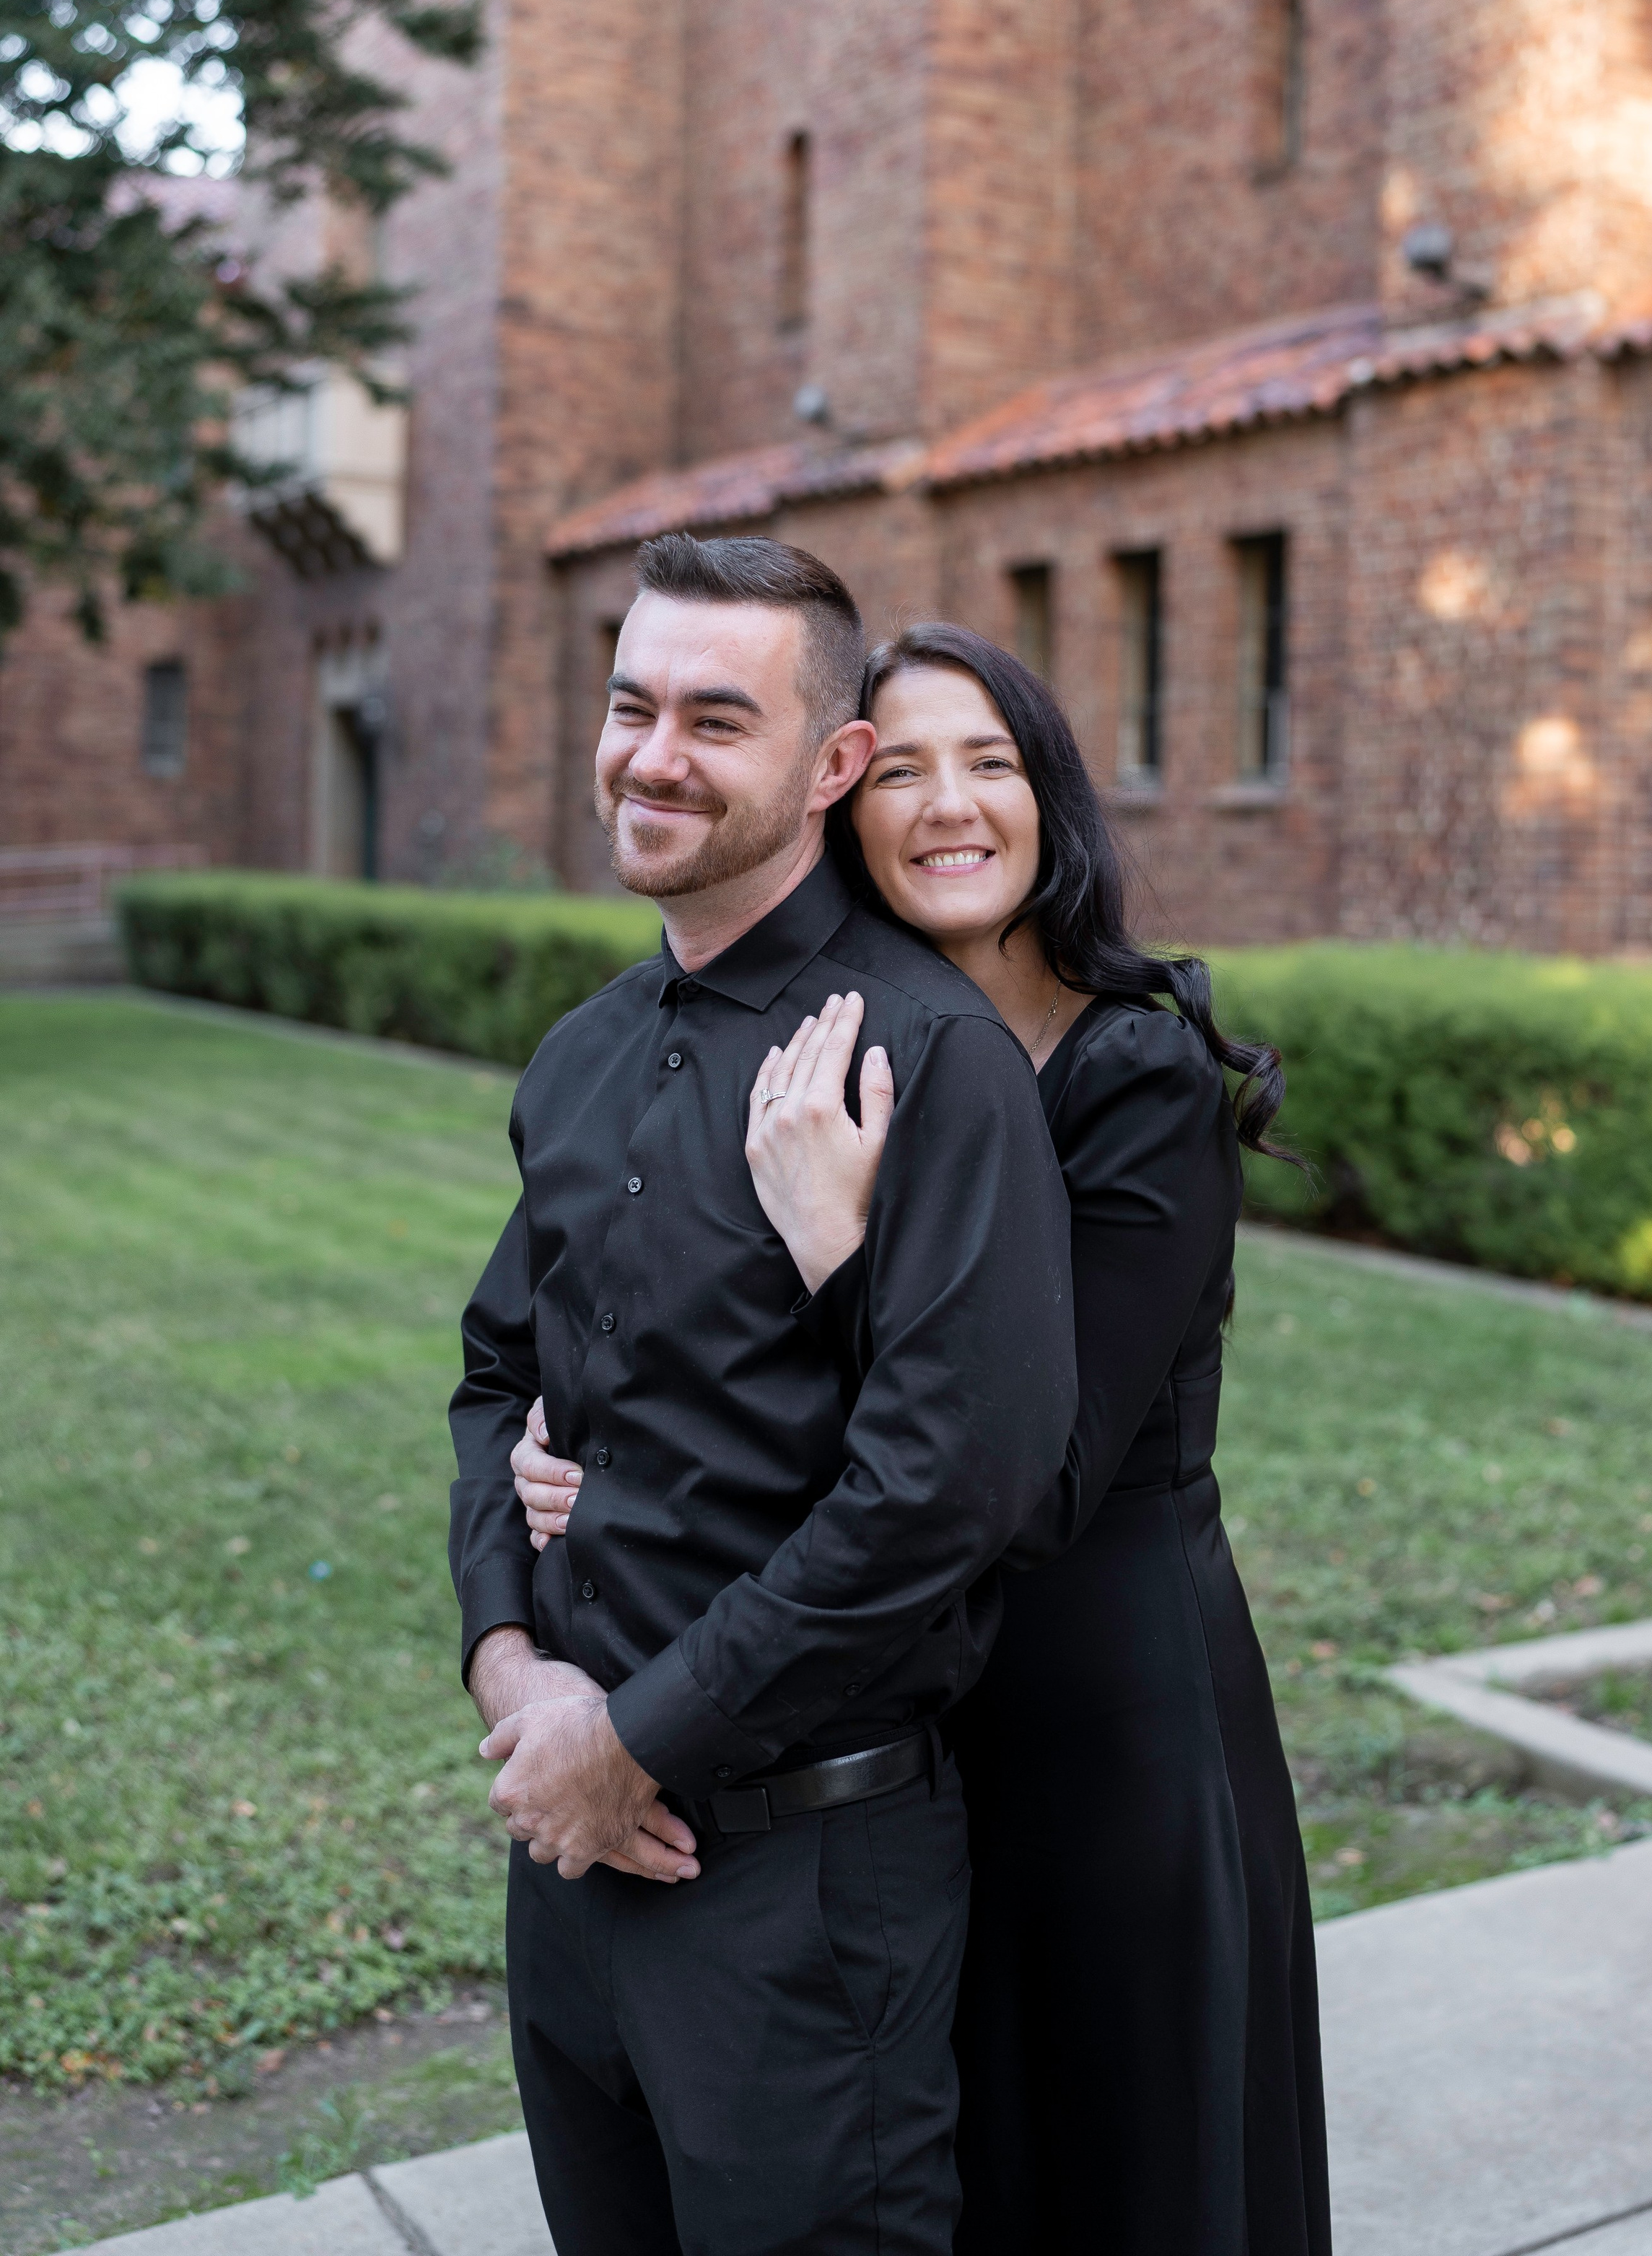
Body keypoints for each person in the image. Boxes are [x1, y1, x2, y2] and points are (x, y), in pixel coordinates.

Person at [516, 622, 1333, 2255]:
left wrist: (840, 1253)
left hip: (1104, 1712)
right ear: (840, 800)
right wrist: (592, 1445)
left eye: (991, 764)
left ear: (1052, 805)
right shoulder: (852, 1056)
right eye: (899, 769)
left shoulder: (1137, 1080)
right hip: (902, 1709)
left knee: (1120, 2158)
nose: (947, 805)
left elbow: (1024, 1475)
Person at [449, 541, 1080, 2256]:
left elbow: (954, 1485)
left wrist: (628, 1738)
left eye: (714, 719)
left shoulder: (925, 1061)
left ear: (829, 766)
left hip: (806, 1890)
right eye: (631, 703)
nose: (651, 753)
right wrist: (511, 1659)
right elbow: (494, 1373)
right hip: (572, 1860)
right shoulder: (581, 1052)